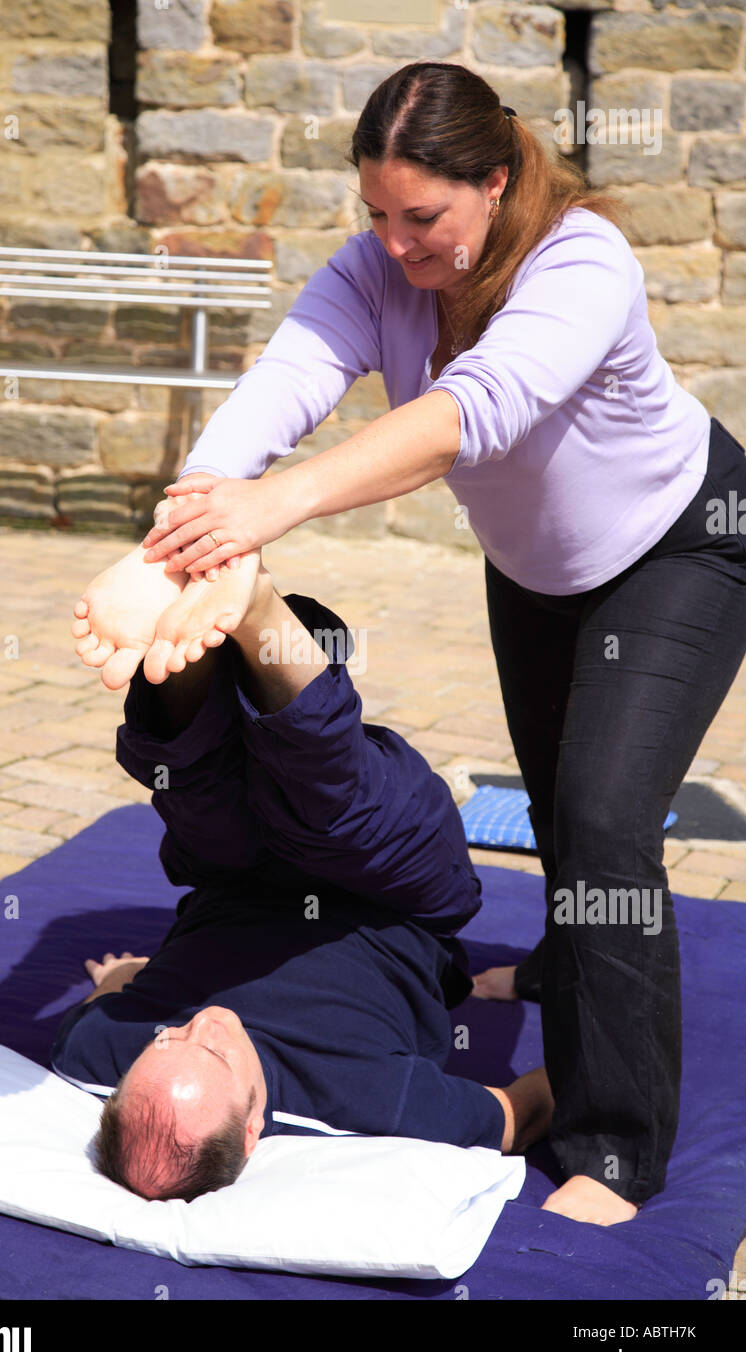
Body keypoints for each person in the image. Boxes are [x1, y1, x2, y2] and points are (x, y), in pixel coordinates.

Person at [108, 61, 746, 1225]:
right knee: (559, 806)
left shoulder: (580, 260)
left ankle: (611, 1149)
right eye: (375, 216)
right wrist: (194, 512)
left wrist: (271, 508)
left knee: (607, 820)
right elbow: (289, 375)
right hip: (538, 574)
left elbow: (472, 413)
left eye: (423, 219)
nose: (394, 245)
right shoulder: (376, 271)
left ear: (494, 185)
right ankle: (563, 965)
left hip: (677, 552)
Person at [57, 545, 554, 1202]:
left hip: (232, 876)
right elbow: (526, 1113)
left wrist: (123, 978)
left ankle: (183, 629)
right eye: (212, 1053)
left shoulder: (101, 1059)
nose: (201, 1021)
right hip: (391, 894)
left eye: (166, 1038)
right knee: (331, 800)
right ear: (253, 1129)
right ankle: (256, 609)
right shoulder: (377, 1105)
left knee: (192, 782)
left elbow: (101, 1008)